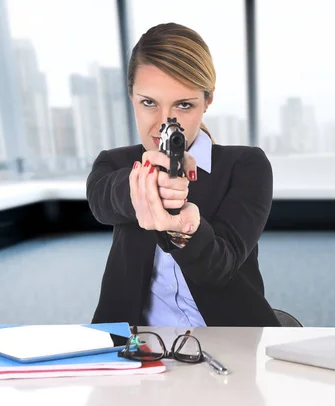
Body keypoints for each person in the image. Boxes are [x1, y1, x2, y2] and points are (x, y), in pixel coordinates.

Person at [86, 22, 280, 327]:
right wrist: (147, 183)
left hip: (232, 346)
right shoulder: (114, 163)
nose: (165, 123)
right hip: (135, 349)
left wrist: (183, 230)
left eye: (184, 105)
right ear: (131, 97)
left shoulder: (246, 165)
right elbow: (103, 201)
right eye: (149, 102)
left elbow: (220, 269)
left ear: (208, 101)